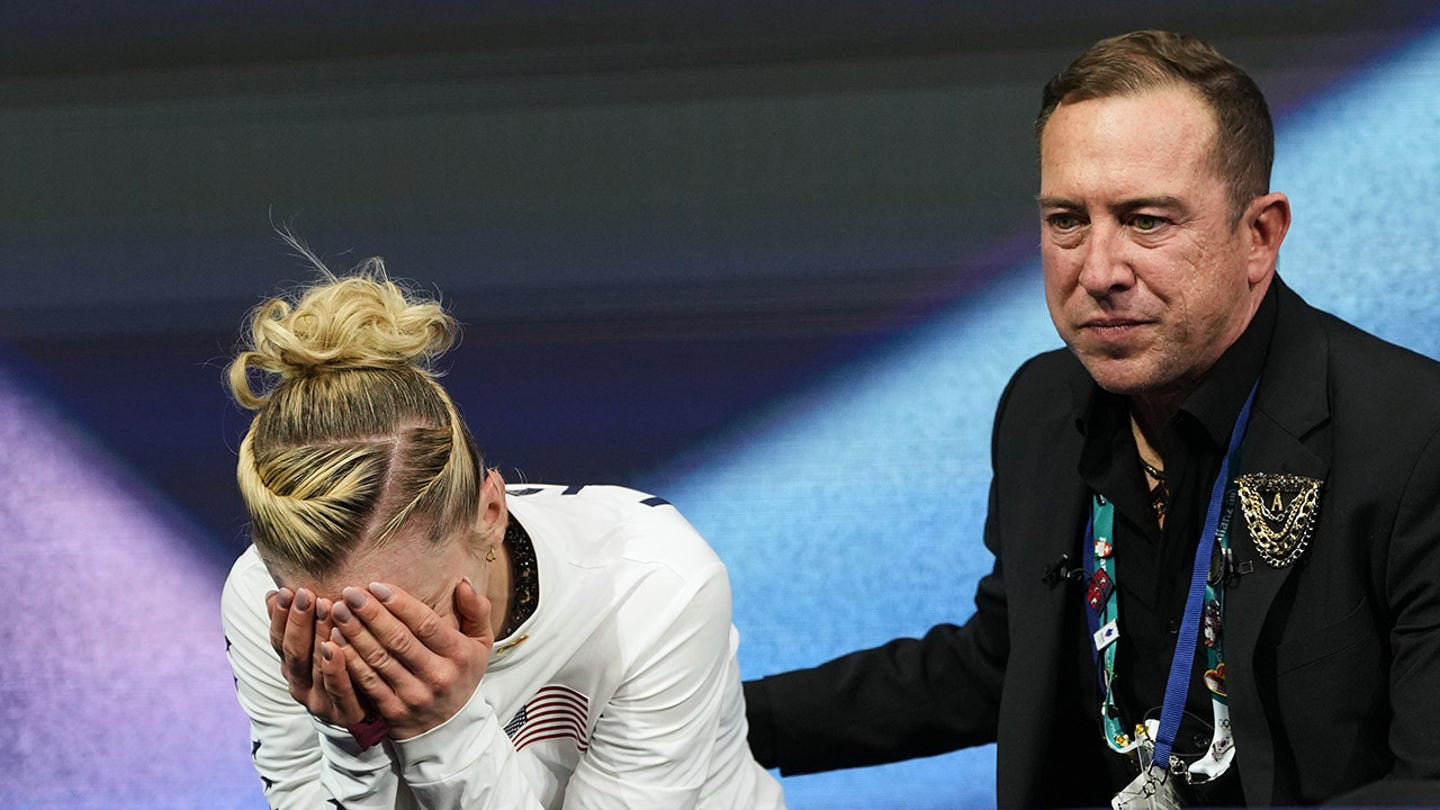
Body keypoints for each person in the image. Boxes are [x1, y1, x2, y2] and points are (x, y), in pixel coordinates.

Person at [743, 30, 1440, 808]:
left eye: (1146, 220)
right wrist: (726, 720)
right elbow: (1008, 662)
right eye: (1068, 220)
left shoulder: (1415, 440)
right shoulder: (1041, 407)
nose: (1099, 270)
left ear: (1259, 236)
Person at [220, 259, 786, 809]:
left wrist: (444, 730)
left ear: (490, 511)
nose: (367, 654)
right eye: (333, 623)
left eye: (407, 616)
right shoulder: (261, 598)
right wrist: (353, 741)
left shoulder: (655, 587)